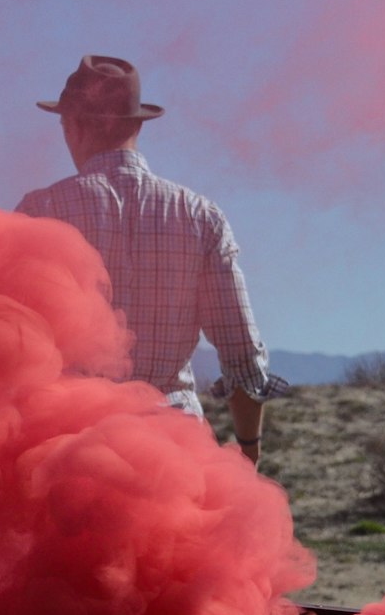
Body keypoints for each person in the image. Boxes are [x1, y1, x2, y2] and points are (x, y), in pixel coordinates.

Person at [15, 54, 284, 463]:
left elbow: (8, 350)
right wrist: (249, 450)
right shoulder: (199, 216)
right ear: (137, 125)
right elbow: (241, 358)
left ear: (75, 125)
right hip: (175, 455)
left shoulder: (40, 211)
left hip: (67, 455)